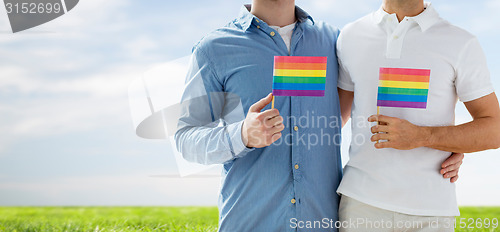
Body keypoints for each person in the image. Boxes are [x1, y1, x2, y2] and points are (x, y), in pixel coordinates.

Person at [175, 0, 462, 231]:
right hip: (250, 221)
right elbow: (186, 139)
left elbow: (378, 102)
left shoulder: (334, 41)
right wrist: (241, 135)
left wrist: (440, 144)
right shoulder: (214, 49)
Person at [336, 0, 500, 231]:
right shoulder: (350, 35)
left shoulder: (461, 42)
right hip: (360, 205)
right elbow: (332, 121)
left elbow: (494, 130)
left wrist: (425, 136)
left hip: (432, 212)